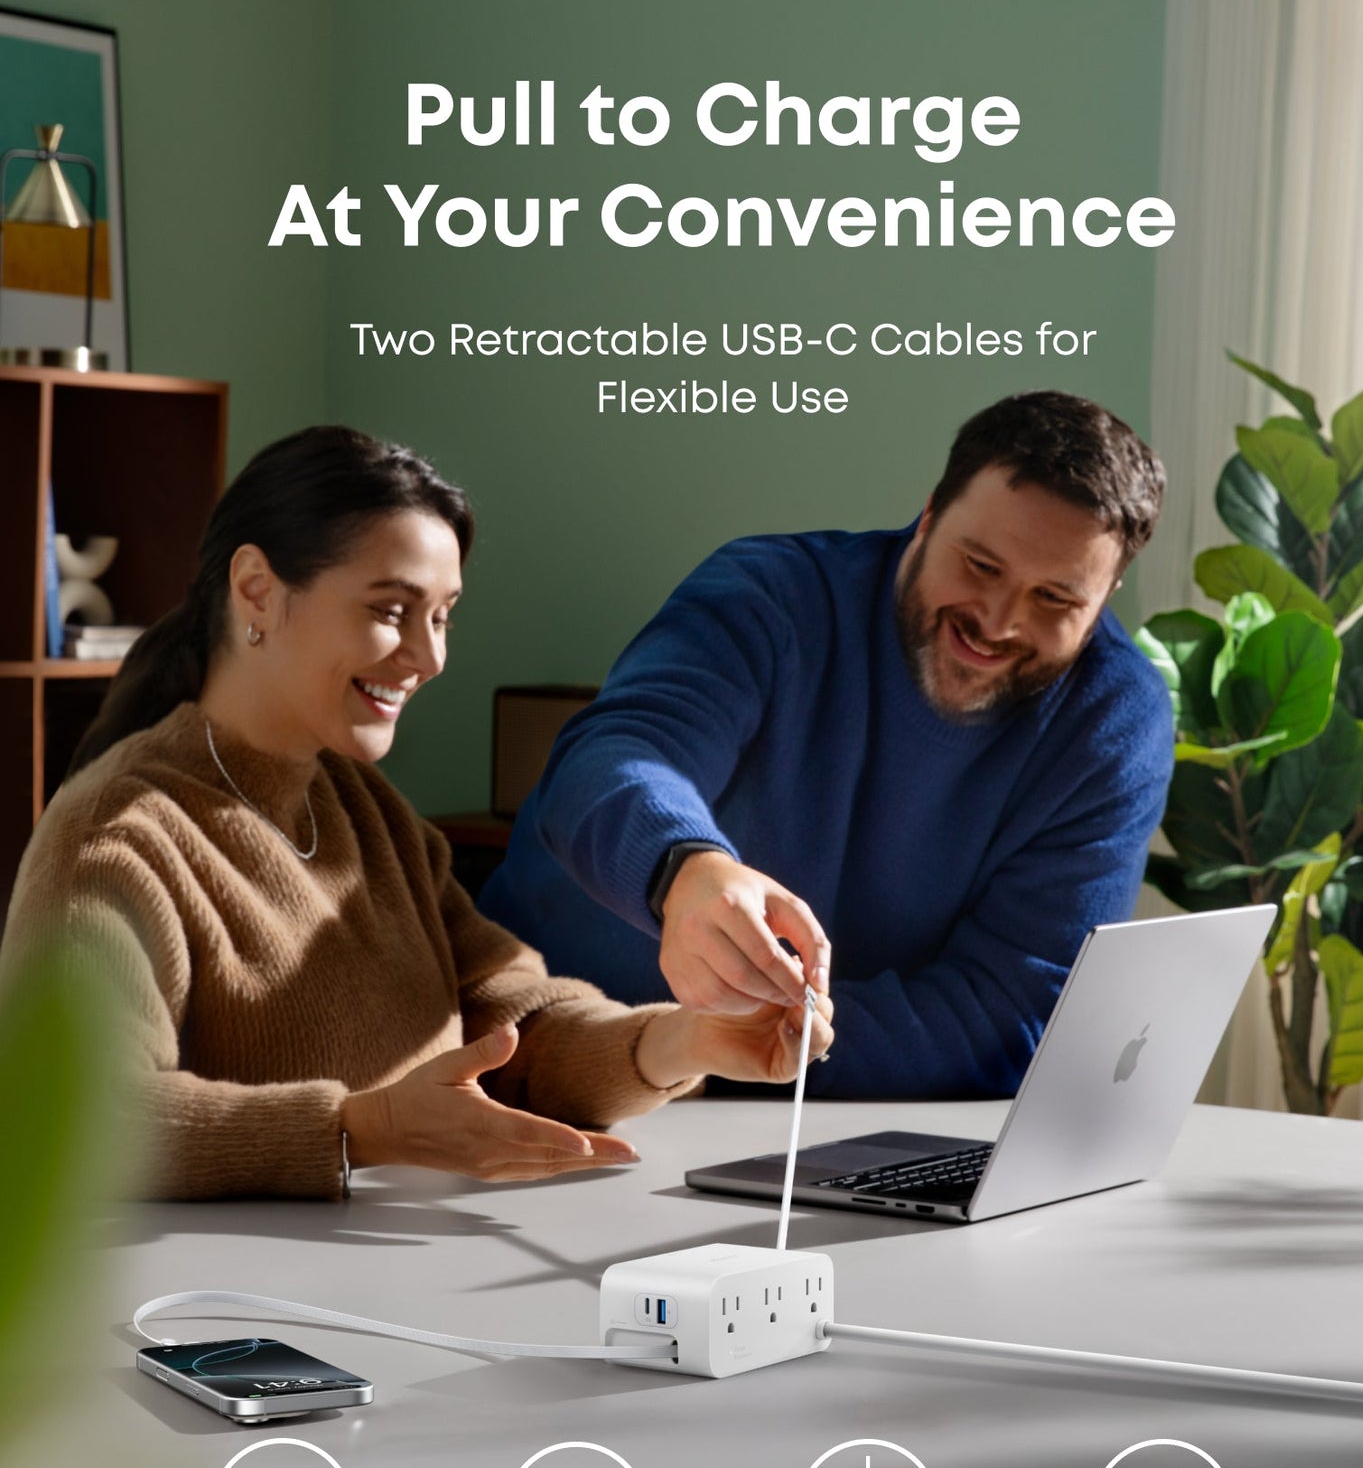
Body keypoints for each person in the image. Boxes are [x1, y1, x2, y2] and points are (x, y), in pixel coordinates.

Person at [0, 426, 831, 1201]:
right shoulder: (115, 837)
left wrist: (683, 1040)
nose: (429, 657)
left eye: (441, 617)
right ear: (256, 591)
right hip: (231, 1303)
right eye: (390, 610)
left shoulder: (368, 811)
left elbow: (513, 1023)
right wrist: (361, 1129)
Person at [483, 390, 1174, 1100]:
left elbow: (1011, 1013)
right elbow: (612, 757)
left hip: (800, 1113)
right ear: (929, 516)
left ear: (1106, 593)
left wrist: (743, 1045)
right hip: (528, 1056)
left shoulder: (1115, 721)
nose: (998, 622)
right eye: (979, 565)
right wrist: (681, 870)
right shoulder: (769, 595)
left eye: (1055, 599)